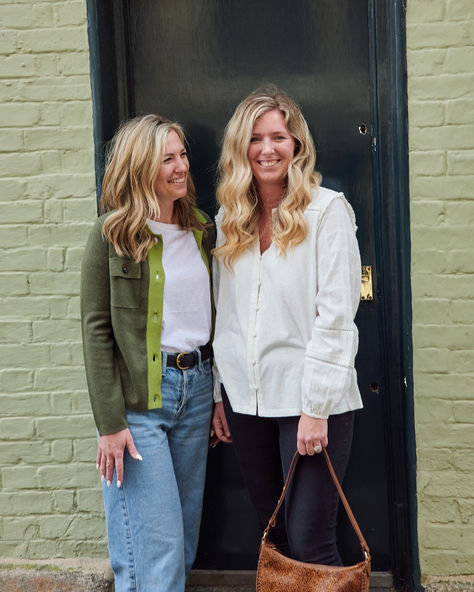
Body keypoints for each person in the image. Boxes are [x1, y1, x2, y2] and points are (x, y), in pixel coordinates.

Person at [211, 88, 363, 566]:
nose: (267, 149)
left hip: (310, 401)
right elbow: (225, 315)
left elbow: (337, 316)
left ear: (297, 144)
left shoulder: (326, 211)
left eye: (278, 136)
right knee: (273, 538)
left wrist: (316, 408)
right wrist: (220, 394)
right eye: (255, 139)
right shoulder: (228, 219)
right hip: (246, 400)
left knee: (311, 541)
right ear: (242, 149)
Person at [80, 114, 215, 591]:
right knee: (152, 553)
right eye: (167, 159)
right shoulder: (111, 236)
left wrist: (216, 396)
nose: (181, 167)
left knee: (182, 543)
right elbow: (96, 331)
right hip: (139, 407)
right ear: (141, 168)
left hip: (196, 392)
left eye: (183, 156)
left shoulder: (202, 229)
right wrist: (110, 424)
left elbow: (210, 319)